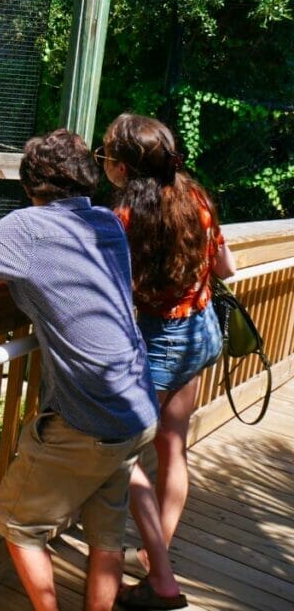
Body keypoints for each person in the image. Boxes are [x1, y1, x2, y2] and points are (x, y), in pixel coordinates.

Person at [0, 129, 160, 611]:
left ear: (30, 183)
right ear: (87, 177)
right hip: (138, 406)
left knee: (17, 523)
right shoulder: (107, 222)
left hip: (90, 417)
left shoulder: (27, 228)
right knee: (107, 534)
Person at [97, 113, 235, 609]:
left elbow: (108, 291)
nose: (105, 161)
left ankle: (162, 578)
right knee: (172, 448)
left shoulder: (124, 221)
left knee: (122, 456)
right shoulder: (197, 199)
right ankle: (158, 561)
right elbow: (226, 267)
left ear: (124, 165)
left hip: (158, 343)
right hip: (200, 333)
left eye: (107, 153)